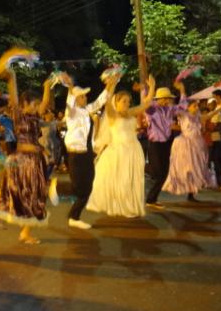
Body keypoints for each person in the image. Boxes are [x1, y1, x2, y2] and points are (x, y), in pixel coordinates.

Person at [0, 65, 54, 244]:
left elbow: (45, 104)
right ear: (24, 104)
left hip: (36, 162)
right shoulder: (18, 114)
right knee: (13, 192)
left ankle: (25, 232)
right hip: (21, 160)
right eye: (34, 103)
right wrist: (12, 76)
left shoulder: (35, 117)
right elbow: (14, 96)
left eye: (38, 104)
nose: (38, 106)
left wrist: (47, 86)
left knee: (36, 197)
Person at [86, 75, 156, 218]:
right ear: (116, 102)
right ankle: (119, 206)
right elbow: (107, 101)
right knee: (120, 181)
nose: (127, 104)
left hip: (133, 151)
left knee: (130, 181)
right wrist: (112, 84)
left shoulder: (130, 113)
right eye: (124, 101)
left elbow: (147, 103)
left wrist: (152, 87)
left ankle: (128, 206)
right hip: (118, 152)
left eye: (129, 101)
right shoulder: (112, 115)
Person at [62, 72, 116, 229]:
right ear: (76, 98)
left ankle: (74, 215)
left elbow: (101, 100)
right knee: (81, 188)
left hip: (86, 154)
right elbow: (70, 102)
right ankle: (73, 215)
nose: (85, 98)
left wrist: (110, 84)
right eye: (82, 96)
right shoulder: (70, 113)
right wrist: (70, 87)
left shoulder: (87, 110)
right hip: (75, 155)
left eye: (85, 96)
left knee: (88, 185)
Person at [162, 98, 219, 201]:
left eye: (197, 106)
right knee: (186, 168)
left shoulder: (198, 116)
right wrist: (169, 102)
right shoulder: (183, 114)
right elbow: (172, 110)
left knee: (195, 168)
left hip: (197, 144)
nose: (196, 108)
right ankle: (182, 186)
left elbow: (207, 116)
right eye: (194, 106)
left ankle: (191, 193)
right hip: (185, 144)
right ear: (188, 107)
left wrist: (217, 110)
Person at [144, 82, 187, 209]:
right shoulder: (152, 109)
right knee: (158, 174)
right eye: (167, 98)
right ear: (160, 99)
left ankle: (152, 199)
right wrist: (150, 88)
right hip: (155, 144)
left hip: (166, 144)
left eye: (169, 99)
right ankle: (150, 199)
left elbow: (183, 108)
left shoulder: (169, 109)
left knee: (164, 173)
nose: (168, 100)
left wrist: (182, 90)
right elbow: (146, 103)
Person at [206, 97, 221, 187]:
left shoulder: (219, 114)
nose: (212, 105)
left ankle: (219, 181)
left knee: (216, 160)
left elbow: (219, 127)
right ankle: (208, 180)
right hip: (207, 139)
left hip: (215, 138)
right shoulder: (206, 114)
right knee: (207, 160)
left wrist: (210, 128)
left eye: (214, 104)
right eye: (210, 104)